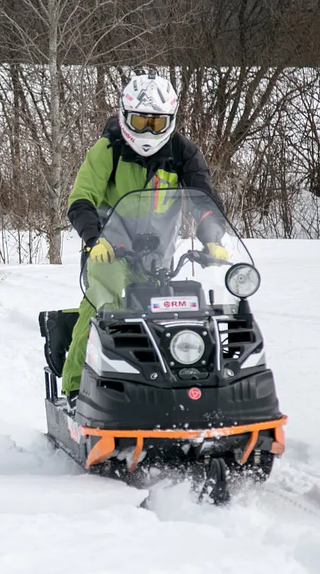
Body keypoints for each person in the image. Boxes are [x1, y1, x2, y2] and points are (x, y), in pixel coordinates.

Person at [61, 72, 229, 400]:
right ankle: (76, 386)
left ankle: (176, 386)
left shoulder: (183, 152)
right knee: (105, 304)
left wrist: (212, 238)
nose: (148, 131)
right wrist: (95, 239)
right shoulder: (108, 148)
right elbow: (81, 198)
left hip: (159, 256)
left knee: (181, 311)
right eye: (141, 122)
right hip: (109, 251)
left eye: (156, 123)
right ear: (125, 118)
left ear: (170, 121)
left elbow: (204, 200)